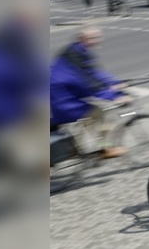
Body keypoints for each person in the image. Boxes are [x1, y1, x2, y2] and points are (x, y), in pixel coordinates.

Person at [50, 27, 130, 159]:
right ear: (83, 39)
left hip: (63, 96)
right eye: (94, 37)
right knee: (99, 113)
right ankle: (106, 148)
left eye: (98, 37)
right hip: (61, 99)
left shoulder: (78, 51)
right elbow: (88, 83)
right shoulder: (76, 56)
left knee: (90, 116)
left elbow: (95, 73)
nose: (99, 40)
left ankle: (77, 148)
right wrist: (115, 97)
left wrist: (115, 83)